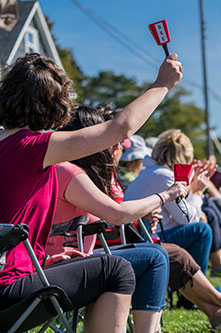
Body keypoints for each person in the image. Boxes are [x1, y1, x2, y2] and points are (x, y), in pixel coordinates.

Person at [0, 52, 182, 331]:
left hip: (14, 279)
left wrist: (46, 258)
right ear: (54, 106)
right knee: (115, 270)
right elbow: (119, 128)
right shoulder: (31, 147)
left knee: (105, 268)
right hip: (8, 291)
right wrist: (162, 84)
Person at [47, 105, 221, 331]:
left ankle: (219, 307)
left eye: (115, 140)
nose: (115, 146)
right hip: (79, 256)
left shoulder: (88, 174)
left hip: (102, 245)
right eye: (108, 139)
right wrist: (187, 194)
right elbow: (178, 219)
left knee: (166, 249)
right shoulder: (71, 173)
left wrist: (143, 213)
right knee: (179, 243)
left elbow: (108, 215)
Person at [125, 129, 221, 277]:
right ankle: (198, 287)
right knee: (201, 230)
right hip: (148, 237)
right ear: (183, 157)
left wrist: (194, 185)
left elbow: (182, 209)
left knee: (208, 212)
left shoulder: (154, 171)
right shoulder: (164, 176)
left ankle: (212, 274)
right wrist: (197, 192)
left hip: (143, 233)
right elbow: (185, 218)